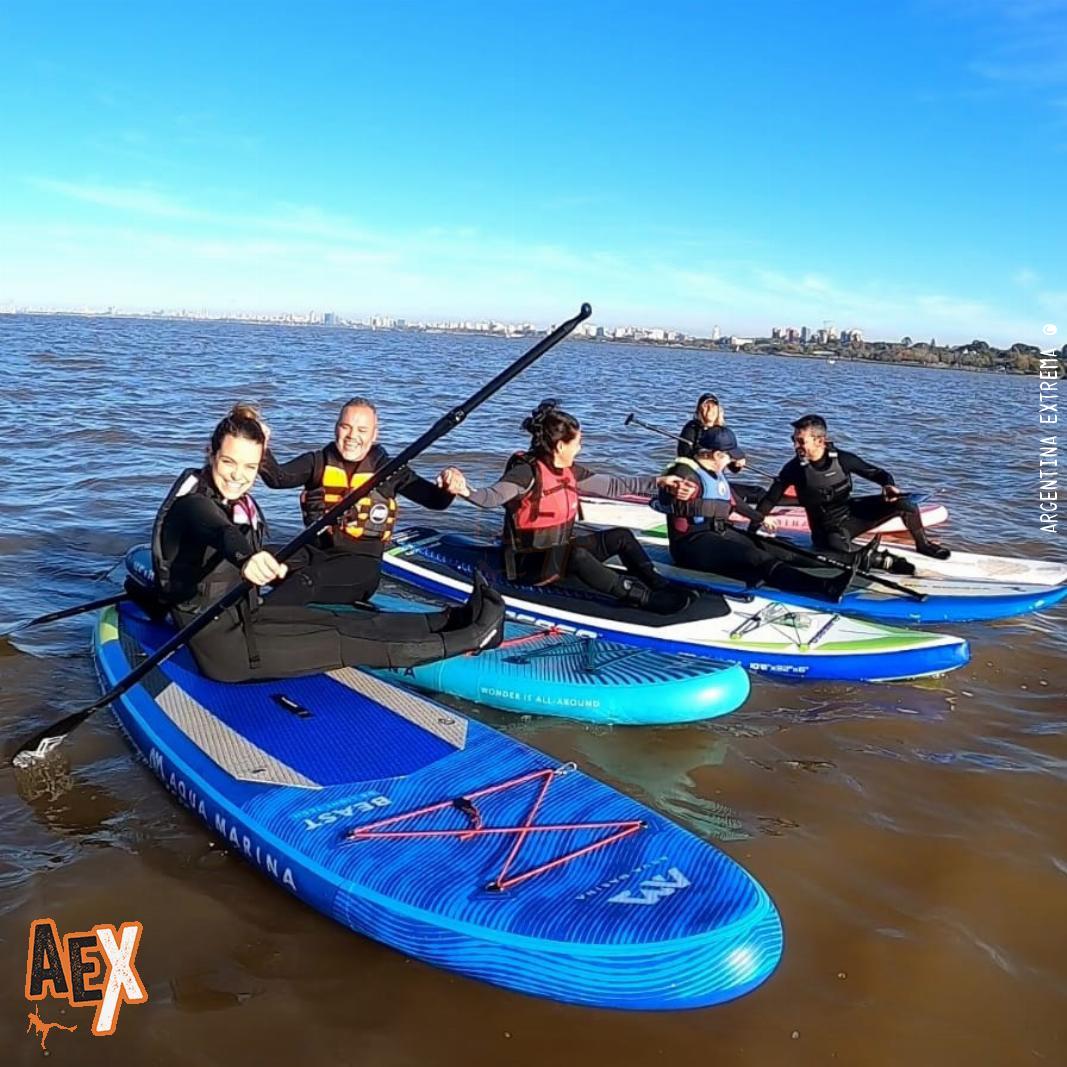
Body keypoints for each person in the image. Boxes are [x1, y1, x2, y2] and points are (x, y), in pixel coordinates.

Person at [149, 403, 504, 684]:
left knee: (339, 622)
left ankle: (455, 617)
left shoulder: (232, 499)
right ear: (210, 454)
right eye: (228, 462)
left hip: (248, 619)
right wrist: (248, 558)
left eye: (249, 466)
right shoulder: (192, 503)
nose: (238, 475)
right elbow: (217, 531)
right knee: (346, 643)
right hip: (230, 654)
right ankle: (473, 636)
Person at [439, 400, 690, 613]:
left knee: (621, 536)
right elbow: (490, 497)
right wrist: (463, 489)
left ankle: (656, 583)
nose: (581, 447)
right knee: (578, 555)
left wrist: (659, 482)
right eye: (578, 442)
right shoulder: (525, 473)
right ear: (561, 446)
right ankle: (642, 598)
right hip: (528, 566)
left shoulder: (570, 471)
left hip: (559, 555)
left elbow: (613, 485)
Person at [257, 397, 455, 605]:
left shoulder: (390, 471)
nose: (352, 436)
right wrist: (260, 443)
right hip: (314, 552)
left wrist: (450, 486)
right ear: (336, 428)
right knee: (258, 558)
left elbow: (435, 501)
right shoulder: (317, 462)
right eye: (346, 427)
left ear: (374, 434)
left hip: (361, 566)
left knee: (307, 579)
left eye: (362, 430)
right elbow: (277, 478)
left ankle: (257, 619)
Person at [656, 427, 858, 601]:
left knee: (778, 548)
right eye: (729, 456)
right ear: (716, 454)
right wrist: (671, 491)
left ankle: (852, 559)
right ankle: (825, 587)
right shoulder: (683, 472)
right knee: (757, 558)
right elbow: (664, 493)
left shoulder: (714, 473)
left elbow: (735, 503)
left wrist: (761, 519)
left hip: (719, 533)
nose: (732, 461)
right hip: (691, 546)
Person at [751, 414, 949, 567]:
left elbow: (877, 473)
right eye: (793, 439)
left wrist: (887, 485)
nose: (795, 445)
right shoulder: (793, 469)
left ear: (820, 441)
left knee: (906, 504)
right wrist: (752, 530)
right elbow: (769, 500)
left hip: (850, 514)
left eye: (801, 441)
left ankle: (923, 545)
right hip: (826, 529)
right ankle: (879, 559)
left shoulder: (843, 459)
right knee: (840, 552)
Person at [677, 393, 745, 471]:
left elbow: (733, 466)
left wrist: (737, 461)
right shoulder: (691, 428)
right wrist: (704, 453)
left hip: (716, 473)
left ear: (718, 409)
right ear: (699, 410)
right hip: (695, 471)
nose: (710, 409)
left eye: (713, 406)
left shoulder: (724, 432)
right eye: (706, 406)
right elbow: (684, 455)